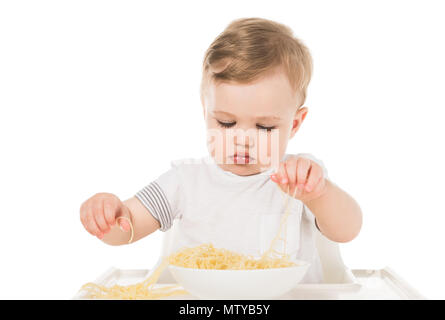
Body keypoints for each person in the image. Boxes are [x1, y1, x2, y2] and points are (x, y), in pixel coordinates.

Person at [79, 17, 362, 283]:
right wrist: (107, 215)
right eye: (226, 122)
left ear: (295, 123)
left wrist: (320, 194)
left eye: (264, 127)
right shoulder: (185, 180)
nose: (242, 139)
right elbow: (127, 228)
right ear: (206, 112)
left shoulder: (301, 176)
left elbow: (347, 229)